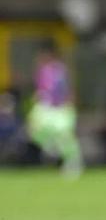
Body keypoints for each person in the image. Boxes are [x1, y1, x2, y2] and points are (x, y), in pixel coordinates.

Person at [27, 40, 83, 177]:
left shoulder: (59, 70)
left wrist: (66, 103)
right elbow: (42, 89)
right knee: (34, 130)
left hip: (59, 108)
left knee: (65, 137)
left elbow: (64, 90)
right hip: (47, 107)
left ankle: (73, 163)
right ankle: (52, 149)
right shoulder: (42, 71)